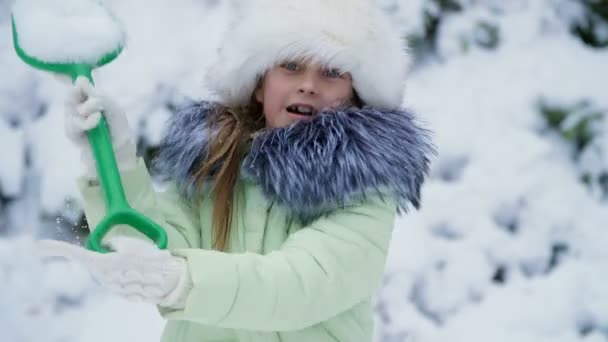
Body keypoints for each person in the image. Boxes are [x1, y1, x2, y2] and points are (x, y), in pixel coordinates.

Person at [40, 0, 435, 341]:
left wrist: (184, 279)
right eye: (291, 65)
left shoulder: (365, 188)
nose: (309, 85)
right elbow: (152, 245)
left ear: (357, 94)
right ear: (260, 84)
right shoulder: (216, 164)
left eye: (332, 72)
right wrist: (114, 159)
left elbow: (298, 285)